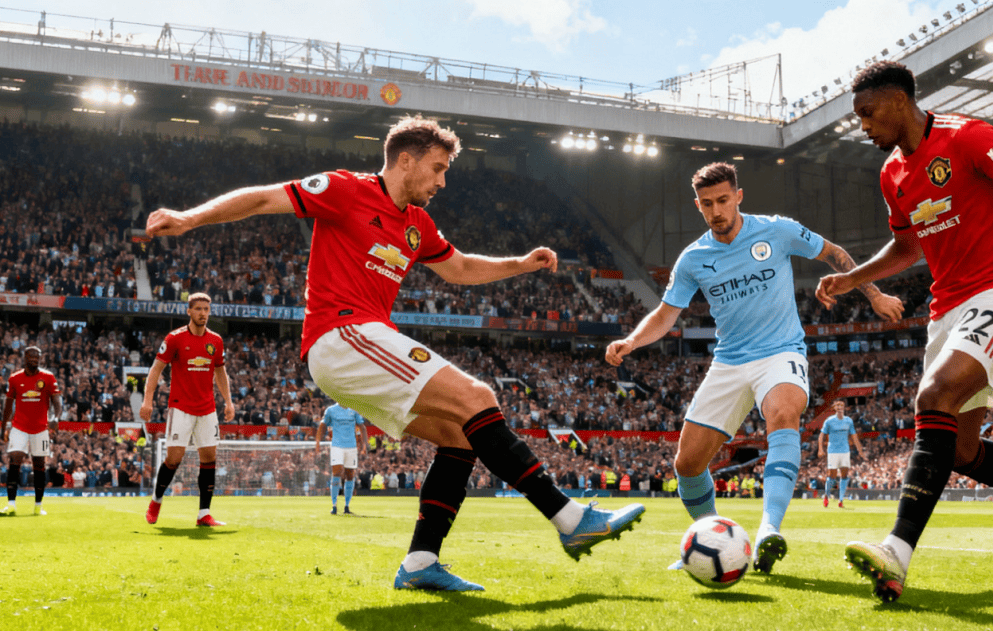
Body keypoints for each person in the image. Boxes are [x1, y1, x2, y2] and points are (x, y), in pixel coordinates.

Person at [145, 114, 645, 592]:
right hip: (340, 335)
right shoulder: (345, 189)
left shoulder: (418, 224)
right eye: (438, 168)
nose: (442, 181)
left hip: (360, 345)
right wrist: (189, 218)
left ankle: (421, 562)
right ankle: (570, 519)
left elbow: (459, 268)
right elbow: (261, 198)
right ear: (406, 160)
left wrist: (520, 263)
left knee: (460, 435)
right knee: (477, 397)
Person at [605, 161, 902, 574]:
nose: (716, 211)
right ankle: (714, 540)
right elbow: (666, 313)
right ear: (698, 206)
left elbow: (834, 253)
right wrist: (633, 340)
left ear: (738, 197)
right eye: (707, 204)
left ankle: (768, 530)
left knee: (783, 413)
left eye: (723, 200)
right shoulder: (693, 258)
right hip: (729, 361)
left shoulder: (777, 230)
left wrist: (873, 294)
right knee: (687, 465)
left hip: (780, 352)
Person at [816, 60, 993, 603]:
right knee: (960, 450)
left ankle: (896, 551)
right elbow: (908, 246)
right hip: (946, 309)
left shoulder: (969, 137)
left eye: (868, 113)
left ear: (898, 100)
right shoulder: (892, 172)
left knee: (934, 397)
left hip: (991, 292)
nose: (863, 126)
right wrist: (854, 278)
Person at [139, 293, 235, 527]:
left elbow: (220, 372)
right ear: (189, 311)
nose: (203, 313)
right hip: (181, 407)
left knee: (209, 457)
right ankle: (156, 501)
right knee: (174, 459)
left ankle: (204, 513)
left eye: (206, 309)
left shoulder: (215, 341)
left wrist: (228, 401)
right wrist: (147, 400)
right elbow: (156, 369)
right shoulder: (175, 338)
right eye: (198, 309)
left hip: (207, 408)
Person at [1, 347, 62, 516]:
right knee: (15, 459)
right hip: (19, 427)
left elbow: (57, 401)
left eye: (37, 357)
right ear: (25, 357)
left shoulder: (48, 377)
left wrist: (56, 417)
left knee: (39, 465)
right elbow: (8, 405)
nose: (35, 359)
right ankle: (11, 504)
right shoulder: (15, 378)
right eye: (31, 356)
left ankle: (38, 506)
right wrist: (4, 426)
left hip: (41, 429)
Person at [315, 400, 368, 515]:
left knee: (350, 475)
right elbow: (323, 425)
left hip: (351, 447)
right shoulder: (331, 410)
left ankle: (346, 506)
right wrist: (318, 442)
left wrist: (364, 445)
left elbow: (362, 427)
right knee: (337, 472)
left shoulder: (354, 409)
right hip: (337, 446)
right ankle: (334, 505)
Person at [818, 399, 865, 508]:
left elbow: (854, 436)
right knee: (832, 475)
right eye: (837, 406)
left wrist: (860, 451)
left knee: (844, 475)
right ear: (834, 408)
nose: (839, 407)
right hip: (833, 451)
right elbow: (821, 435)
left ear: (844, 408)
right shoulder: (829, 421)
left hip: (845, 451)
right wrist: (820, 449)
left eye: (841, 405)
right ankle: (826, 495)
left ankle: (841, 500)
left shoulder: (848, 421)